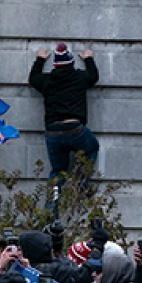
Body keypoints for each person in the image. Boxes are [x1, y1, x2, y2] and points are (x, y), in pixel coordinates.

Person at [28, 43, 101, 188]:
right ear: (71, 62)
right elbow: (93, 76)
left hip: (53, 131)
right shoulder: (79, 78)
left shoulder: (47, 81)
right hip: (75, 129)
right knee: (91, 148)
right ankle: (81, 183)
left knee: (57, 172)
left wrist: (40, 60)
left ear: (55, 64)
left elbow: (33, 79)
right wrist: (88, 59)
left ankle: (51, 208)